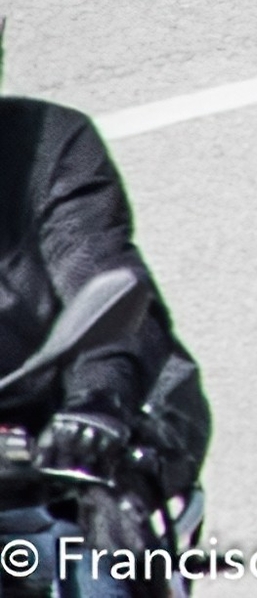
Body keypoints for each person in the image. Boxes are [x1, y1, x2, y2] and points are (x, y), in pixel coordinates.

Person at [0, 31, 209, 597]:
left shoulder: (48, 146)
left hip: (72, 437)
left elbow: (100, 278)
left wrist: (95, 407)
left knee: (99, 570)